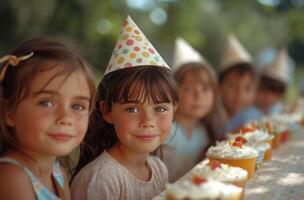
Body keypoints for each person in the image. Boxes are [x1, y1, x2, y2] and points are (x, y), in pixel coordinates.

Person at [71, 16, 178, 200]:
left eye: (160, 108)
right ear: (107, 111)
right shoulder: (102, 180)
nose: (148, 122)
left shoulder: (159, 168)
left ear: (174, 110)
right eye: (132, 109)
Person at [0, 37, 96, 200]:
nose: (66, 118)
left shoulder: (58, 172)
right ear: (9, 112)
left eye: (77, 106)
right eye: (46, 103)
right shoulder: (11, 177)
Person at [161, 38, 227, 181]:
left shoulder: (202, 132)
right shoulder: (166, 131)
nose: (198, 96)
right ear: (172, 93)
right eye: (188, 88)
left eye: (205, 89)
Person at [218, 34, 262, 133]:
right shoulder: (212, 120)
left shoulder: (253, 116)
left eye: (247, 88)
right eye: (232, 86)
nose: (240, 94)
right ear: (219, 87)